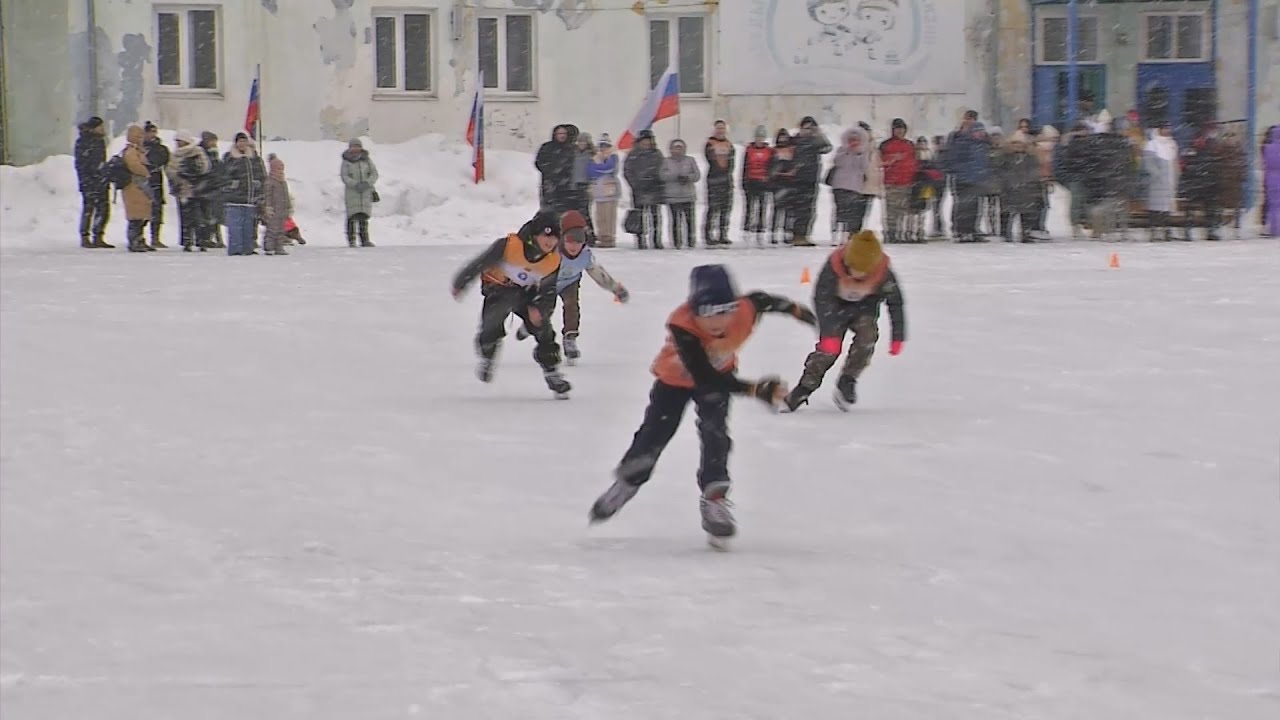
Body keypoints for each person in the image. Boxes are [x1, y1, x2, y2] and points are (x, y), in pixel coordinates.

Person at [588, 264, 816, 545]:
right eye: (708, 312)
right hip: (675, 381)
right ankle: (628, 481)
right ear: (694, 310)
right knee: (655, 434)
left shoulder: (746, 309)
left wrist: (797, 311)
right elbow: (704, 377)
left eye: (727, 309)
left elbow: (765, 301)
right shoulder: (682, 326)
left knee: (716, 435)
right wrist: (755, 389)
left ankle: (715, 498)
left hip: (721, 377)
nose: (719, 321)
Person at [782, 230, 906, 412]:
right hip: (834, 309)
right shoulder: (833, 266)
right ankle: (805, 387)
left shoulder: (884, 274)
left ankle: (848, 379)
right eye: (855, 270)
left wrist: (898, 336)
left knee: (868, 337)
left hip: (864, 309)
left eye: (864, 273)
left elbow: (896, 304)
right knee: (828, 351)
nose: (859, 276)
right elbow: (821, 298)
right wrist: (828, 331)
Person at [451, 211, 571, 397]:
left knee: (543, 328)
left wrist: (541, 310)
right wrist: (461, 282)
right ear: (534, 234)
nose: (550, 242)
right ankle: (488, 353)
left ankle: (552, 370)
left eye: (555, 237)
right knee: (491, 324)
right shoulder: (508, 246)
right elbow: (480, 263)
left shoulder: (552, 260)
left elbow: (549, 290)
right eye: (545, 236)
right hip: (499, 290)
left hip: (527, 294)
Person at [516, 211, 629, 364]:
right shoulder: (551, 252)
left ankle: (570, 339)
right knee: (543, 311)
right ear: (562, 238)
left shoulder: (585, 256)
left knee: (572, 307)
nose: (574, 246)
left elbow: (599, 275)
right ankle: (529, 325)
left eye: (579, 241)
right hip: (548, 283)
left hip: (570, 283)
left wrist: (616, 289)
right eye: (570, 240)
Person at [74, 116, 113, 248]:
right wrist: (90, 177)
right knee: (89, 208)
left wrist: (104, 174)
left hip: (100, 180)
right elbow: (82, 164)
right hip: (89, 181)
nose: (103, 129)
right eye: (101, 127)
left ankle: (98, 235)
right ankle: (85, 236)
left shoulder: (99, 141)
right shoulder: (84, 142)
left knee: (103, 209)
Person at [660, 139, 700, 248]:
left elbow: (697, 175)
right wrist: (675, 177)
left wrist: (687, 177)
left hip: (688, 195)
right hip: (673, 196)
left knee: (690, 221)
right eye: (675, 148)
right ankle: (677, 241)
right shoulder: (666, 161)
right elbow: (662, 175)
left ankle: (691, 240)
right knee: (675, 221)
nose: (677, 151)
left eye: (680, 148)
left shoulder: (690, 160)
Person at [121, 125, 154, 253]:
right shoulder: (131, 151)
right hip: (134, 186)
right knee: (136, 217)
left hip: (139, 187)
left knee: (141, 216)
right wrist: (146, 172)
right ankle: (134, 240)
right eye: (139, 136)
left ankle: (139, 239)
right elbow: (134, 165)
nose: (141, 138)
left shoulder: (138, 150)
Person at [704, 120, 736, 246]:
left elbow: (732, 162)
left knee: (725, 208)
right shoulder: (710, 143)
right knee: (713, 208)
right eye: (718, 128)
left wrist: (727, 174)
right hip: (714, 179)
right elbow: (710, 159)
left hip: (726, 180)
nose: (720, 131)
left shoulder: (729, 144)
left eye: (722, 128)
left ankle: (723, 233)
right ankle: (708, 234)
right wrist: (719, 174)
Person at [742, 126, 774, 245]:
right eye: (757, 137)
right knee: (750, 207)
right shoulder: (749, 149)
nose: (759, 139)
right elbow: (745, 166)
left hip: (763, 181)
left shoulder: (769, 151)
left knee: (762, 207)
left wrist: (769, 180)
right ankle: (747, 229)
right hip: (751, 180)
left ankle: (760, 230)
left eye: (761, 137)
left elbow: (771, 166)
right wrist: (743, 181)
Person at [588, 134, 620, 248]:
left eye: (606, 145)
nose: (603, 148)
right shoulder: (595, 157)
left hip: (610, 191)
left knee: (609, 216)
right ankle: (601, 236)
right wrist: (601, 167)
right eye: (601, 145)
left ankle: (609, 237)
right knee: (600, 216)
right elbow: (591, 171)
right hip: (598, 191)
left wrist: (600, 167)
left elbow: (610, 168)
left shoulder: (613, 156)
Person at [142, 122, 171, 248]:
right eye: (150, 132)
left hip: (156, 181)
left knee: (157, 210)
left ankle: (155, 237)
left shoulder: (160, 148)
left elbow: (164, 162)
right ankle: (140, 236)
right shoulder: (140, 147)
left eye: (154, 132)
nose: (152, 134)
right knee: (143, 211)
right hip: (143, 182)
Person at [262, 154, 293, 255]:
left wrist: (289, 207)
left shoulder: (283, 182)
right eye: (278, 169)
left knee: (281, 230)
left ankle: (279, 247)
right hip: (273, 210)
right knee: (272, 230)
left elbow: (286, 195)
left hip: (282, 210)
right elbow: (268, 196)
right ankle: (269, 246)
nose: (280, 171)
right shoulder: (270, 182)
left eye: (282, 169)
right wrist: (268, 207)